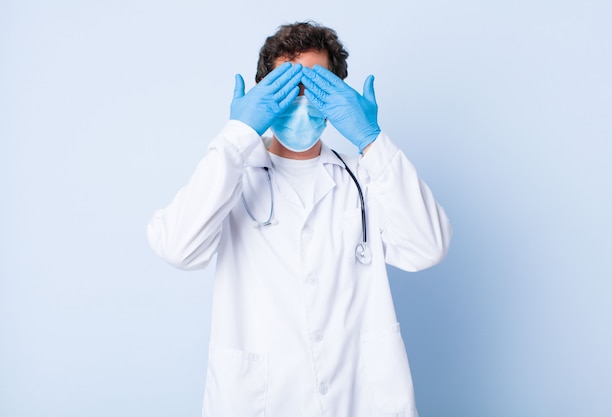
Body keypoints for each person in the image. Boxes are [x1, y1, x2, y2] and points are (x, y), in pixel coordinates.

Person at [147, 21, 452, 417]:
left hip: (358, 399)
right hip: (260, 401)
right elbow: (177, 247)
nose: (301, 101)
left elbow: (428, 248)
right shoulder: (229, 175)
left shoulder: (366, 177)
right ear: (263, 95)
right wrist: (237, 134)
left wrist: (372, 140)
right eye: (286, 88)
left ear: (338, 95)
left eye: (315, 88)